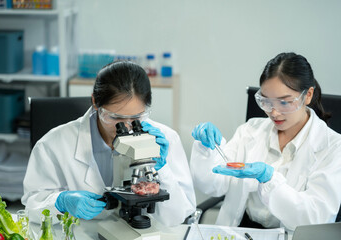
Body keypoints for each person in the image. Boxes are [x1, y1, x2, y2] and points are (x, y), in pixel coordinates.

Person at [22, 61, 196, 226]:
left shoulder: (165, 139)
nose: (127, 126)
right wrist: (60, 203)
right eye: (116, 117)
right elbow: (32, 206)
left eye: (136, 118)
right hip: (82, 232)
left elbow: (179, 216)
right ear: (95, 103)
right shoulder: (54, 144)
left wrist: (163, 170)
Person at [190, 52, 341, 232]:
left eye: (284, 103)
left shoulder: (332, 147)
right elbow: (214, 186)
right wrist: (208, 151)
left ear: (307, 95)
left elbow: (315, 218)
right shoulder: (250, 130)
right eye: (266, 101)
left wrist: (271, 181)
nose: (274, 112)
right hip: (241, 230)